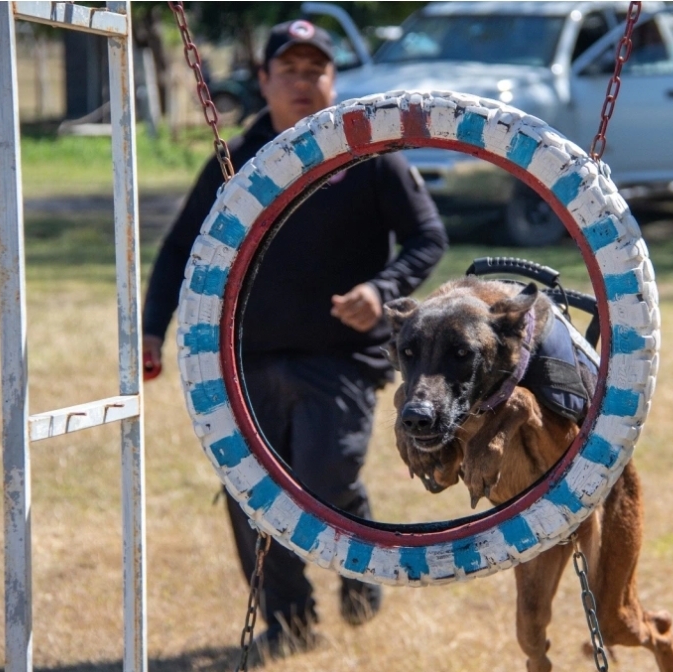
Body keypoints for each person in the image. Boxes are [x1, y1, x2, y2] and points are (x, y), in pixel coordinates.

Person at [141, 19, 448, 658]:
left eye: (317, 71)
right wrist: (151, 329)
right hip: (246, 360)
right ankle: (290, 621)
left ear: (335, 80)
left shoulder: (368, 154)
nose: (304, 83)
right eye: (290, 71)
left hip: (340, 359)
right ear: (264, 80)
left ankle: (357, 556)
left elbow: (427, 238)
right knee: (251, 494)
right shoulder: (238, 158)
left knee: (321, 479)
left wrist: (381, 290)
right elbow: (181, 249)